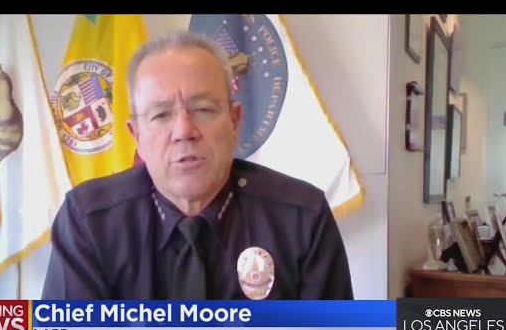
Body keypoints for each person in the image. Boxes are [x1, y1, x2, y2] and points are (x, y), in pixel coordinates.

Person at [41, 31, 353, 300]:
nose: (183, 131)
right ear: (137, 137)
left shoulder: (302, 218)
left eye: (203, 109)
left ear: (235, 122)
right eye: (161, 115)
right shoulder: (89, 222)